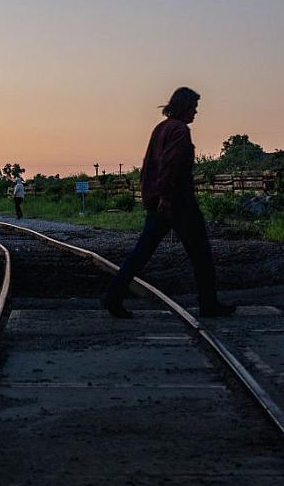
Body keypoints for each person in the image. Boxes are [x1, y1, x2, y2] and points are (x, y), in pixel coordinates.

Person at [101, 87, 236, 319]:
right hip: (177, 202)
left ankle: (113, 295)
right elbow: (170, 166)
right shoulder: (180, 131)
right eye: (194, 107)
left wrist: (151, 197)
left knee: (141, 252)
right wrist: (165, 197)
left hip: (159, 202)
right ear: (184, 107)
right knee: (201, 255)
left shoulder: (161, 128)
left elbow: (148, 165)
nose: (196, 112)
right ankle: (208, 304)